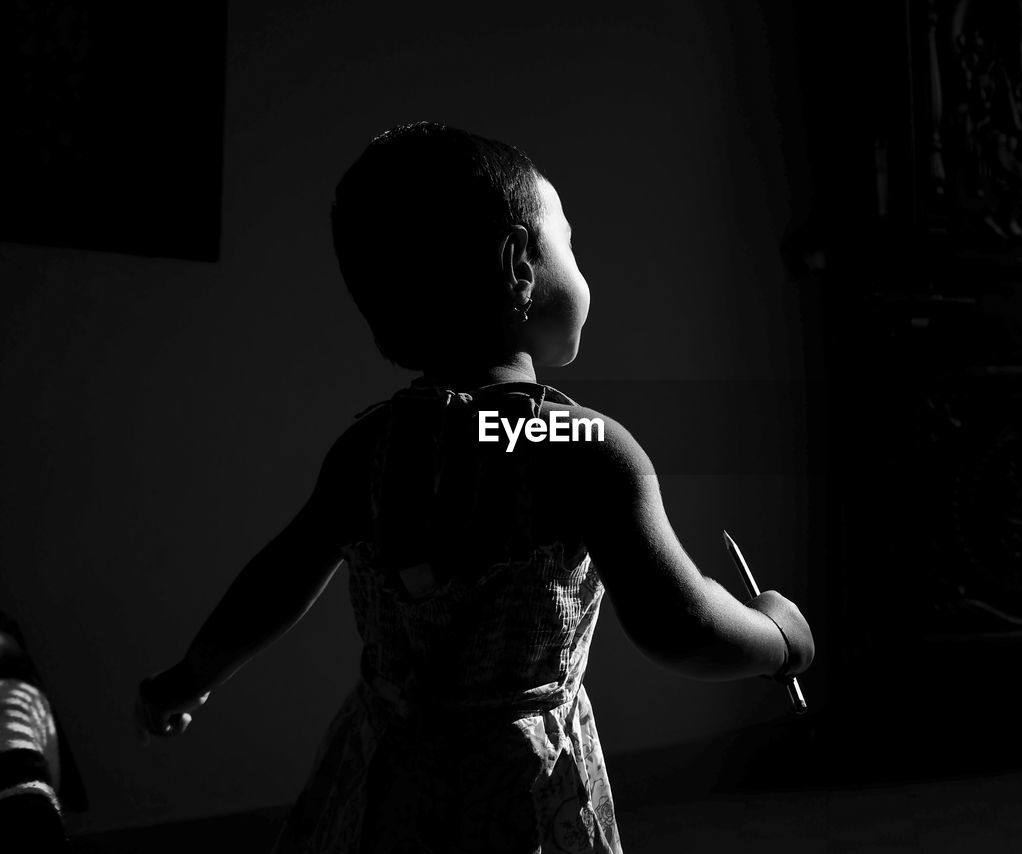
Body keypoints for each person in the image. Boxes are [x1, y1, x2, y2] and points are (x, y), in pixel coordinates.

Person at [133, 121, 815, 853]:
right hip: (520, 792)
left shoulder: (370, 446)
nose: (582, 269)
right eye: (570, 245)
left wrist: (189, 677)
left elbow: (279, 576)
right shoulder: (581, 444)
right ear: (520, 263)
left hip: (384, 772)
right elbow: (679, 624)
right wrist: (778, 636)